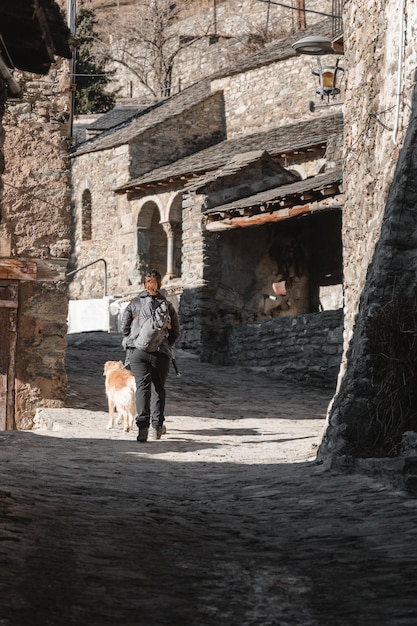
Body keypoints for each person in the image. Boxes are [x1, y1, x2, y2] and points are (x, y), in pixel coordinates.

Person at [121, 269, 181, 443]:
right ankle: (157, 427)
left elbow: (124, 328)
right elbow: (176, 332)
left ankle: (142, 429)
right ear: (160, 284)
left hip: (137, 353)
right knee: (158, 389)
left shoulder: (133, 303)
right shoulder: (167, 306)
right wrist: (165, 343)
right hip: (160, 353)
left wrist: (134, 341)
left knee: (142, 389)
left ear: (143, 284)